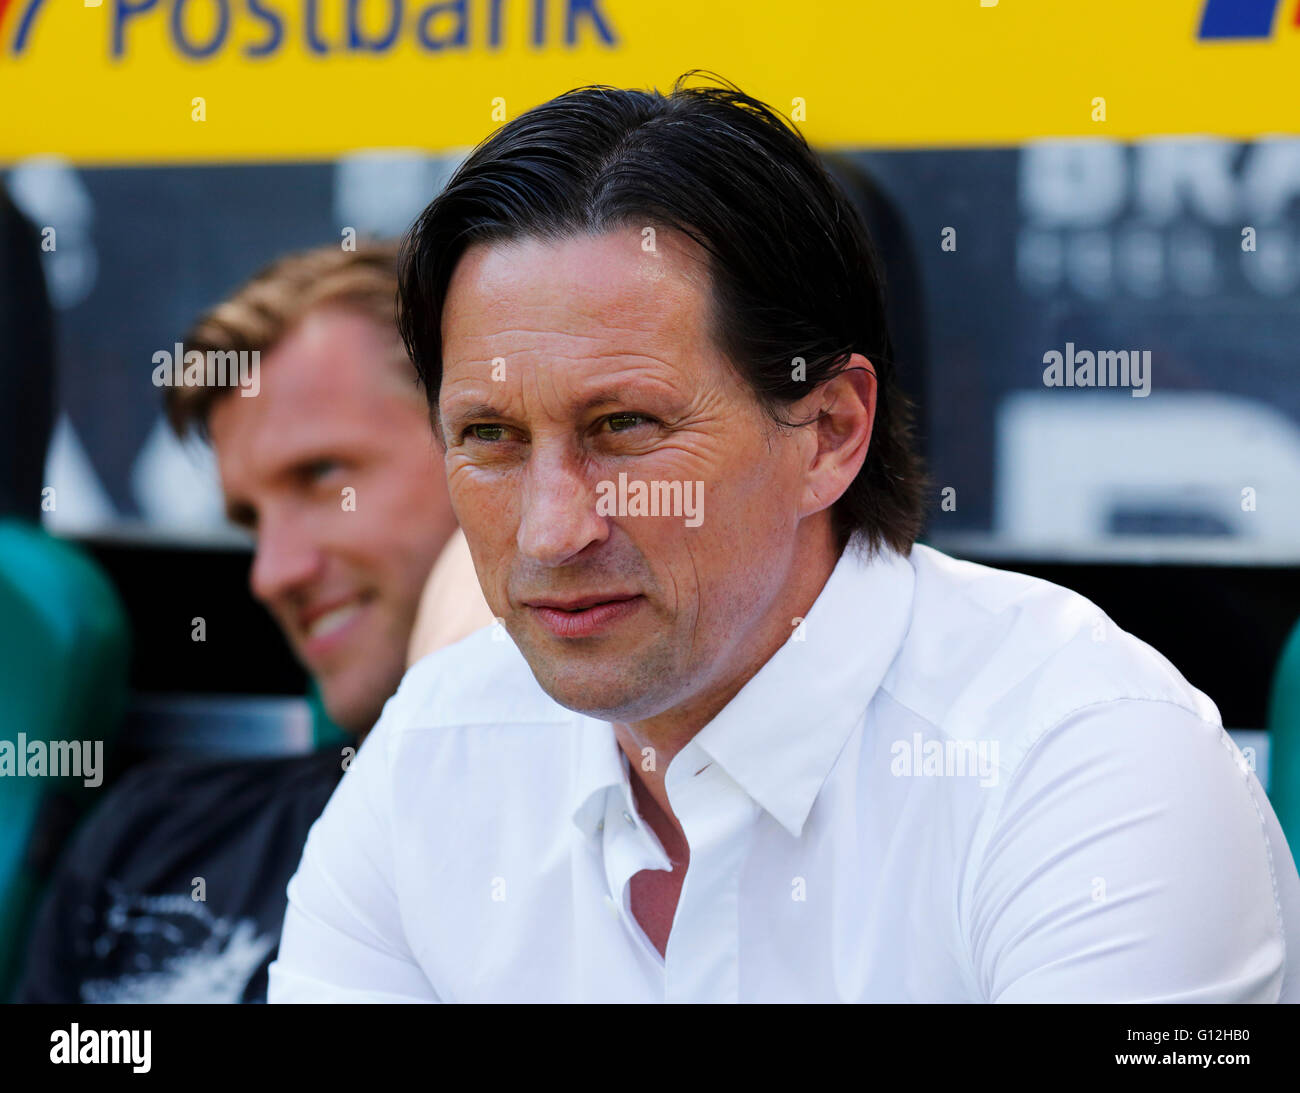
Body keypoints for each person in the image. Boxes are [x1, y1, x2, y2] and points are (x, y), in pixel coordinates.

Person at [268, 74, 1300, 1003]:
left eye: (624, 427)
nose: (550, 527)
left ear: (830, 432)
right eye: (489, 438)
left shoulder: (1082, 761)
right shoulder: (437, 746)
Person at [15, 241, 490, 1003]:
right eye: (249, 519)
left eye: (321, 475)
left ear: (488, 443)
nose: (272, 573)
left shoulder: (610, 842)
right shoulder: (149, 835)